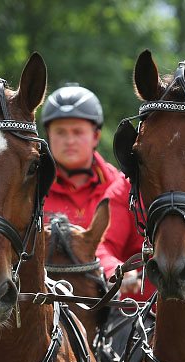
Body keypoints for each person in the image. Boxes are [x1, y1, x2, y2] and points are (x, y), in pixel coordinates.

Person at [40, 85, 152, 301]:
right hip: (47, 309)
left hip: (112, 308)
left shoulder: (122, 187)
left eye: (78, 132)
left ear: (96, 136)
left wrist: (117, 271)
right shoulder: (33, 192)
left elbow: (106, 246)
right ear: (48, 136)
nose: (69, 140)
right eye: (61, 132)